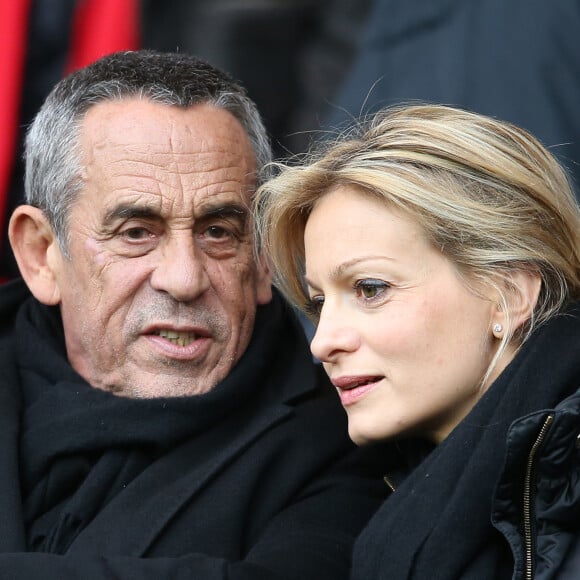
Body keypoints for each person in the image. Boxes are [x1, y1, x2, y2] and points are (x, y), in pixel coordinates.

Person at [0, 50, 389, 579]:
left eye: (217, 232)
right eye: (136, 232)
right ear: (41, 254)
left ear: (261, 260)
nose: (184, 279)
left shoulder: (347, 441)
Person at [254, 103, 580, 579]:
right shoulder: (365, 482)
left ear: (507, 295)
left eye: (370, 289)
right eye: (319, 302)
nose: (321, 343)